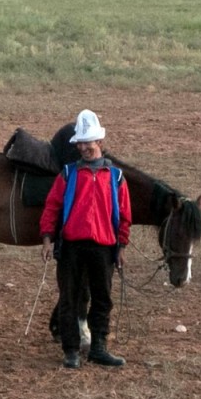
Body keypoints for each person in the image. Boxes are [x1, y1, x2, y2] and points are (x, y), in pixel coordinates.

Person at [40, 109, 132, 369]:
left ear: (99, 143)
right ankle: (71, 350)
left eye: (87, 142)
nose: (83, 148)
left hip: (104, 247)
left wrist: (122, 245)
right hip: (71, 247)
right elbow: (52, 207)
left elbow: (125, 214)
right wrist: (47, 238)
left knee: (102, 298)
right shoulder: (68, 174)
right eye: (80, 143)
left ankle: (99, 348)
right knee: (69, 298)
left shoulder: (116, 177)